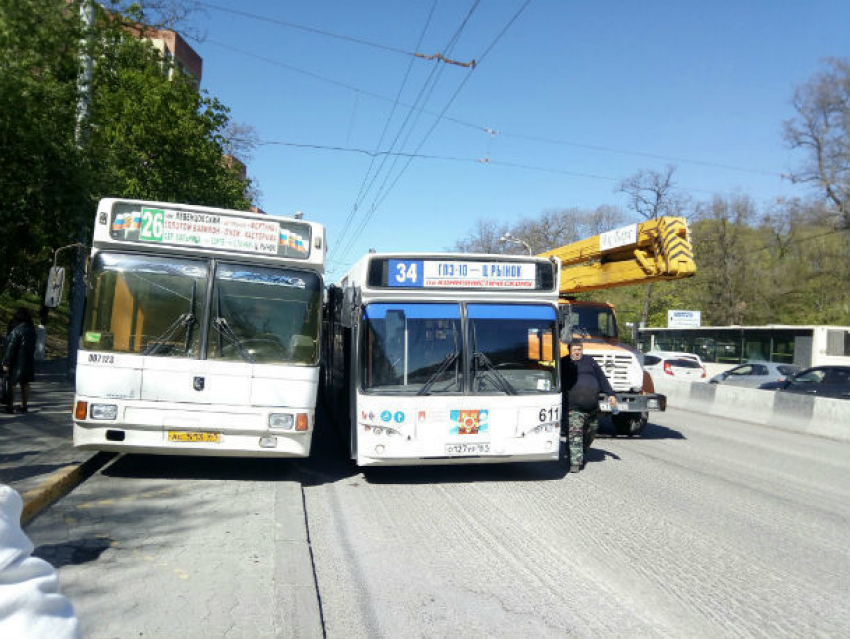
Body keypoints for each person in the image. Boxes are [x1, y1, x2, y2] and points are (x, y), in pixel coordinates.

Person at [561, 340, 618, 473]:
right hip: (573, 407)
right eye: (575, 349)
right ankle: (575, 463)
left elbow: (601, 378)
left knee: (591, 432)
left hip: (592, 407)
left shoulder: (590, 361)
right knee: (575, 434)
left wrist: (610, 394)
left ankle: (578, 452)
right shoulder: (564, 363)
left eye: (580, 349)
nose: (578, 352)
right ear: (569, 350)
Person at [3, 308, 37, 414]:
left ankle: (10, 405)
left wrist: (6, 362)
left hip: (16, 362)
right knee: (25, 383)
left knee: (12, 383)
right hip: (28, 360)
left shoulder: (16, 331)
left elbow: (10, 349)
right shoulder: (32, 331)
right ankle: (24, 405)